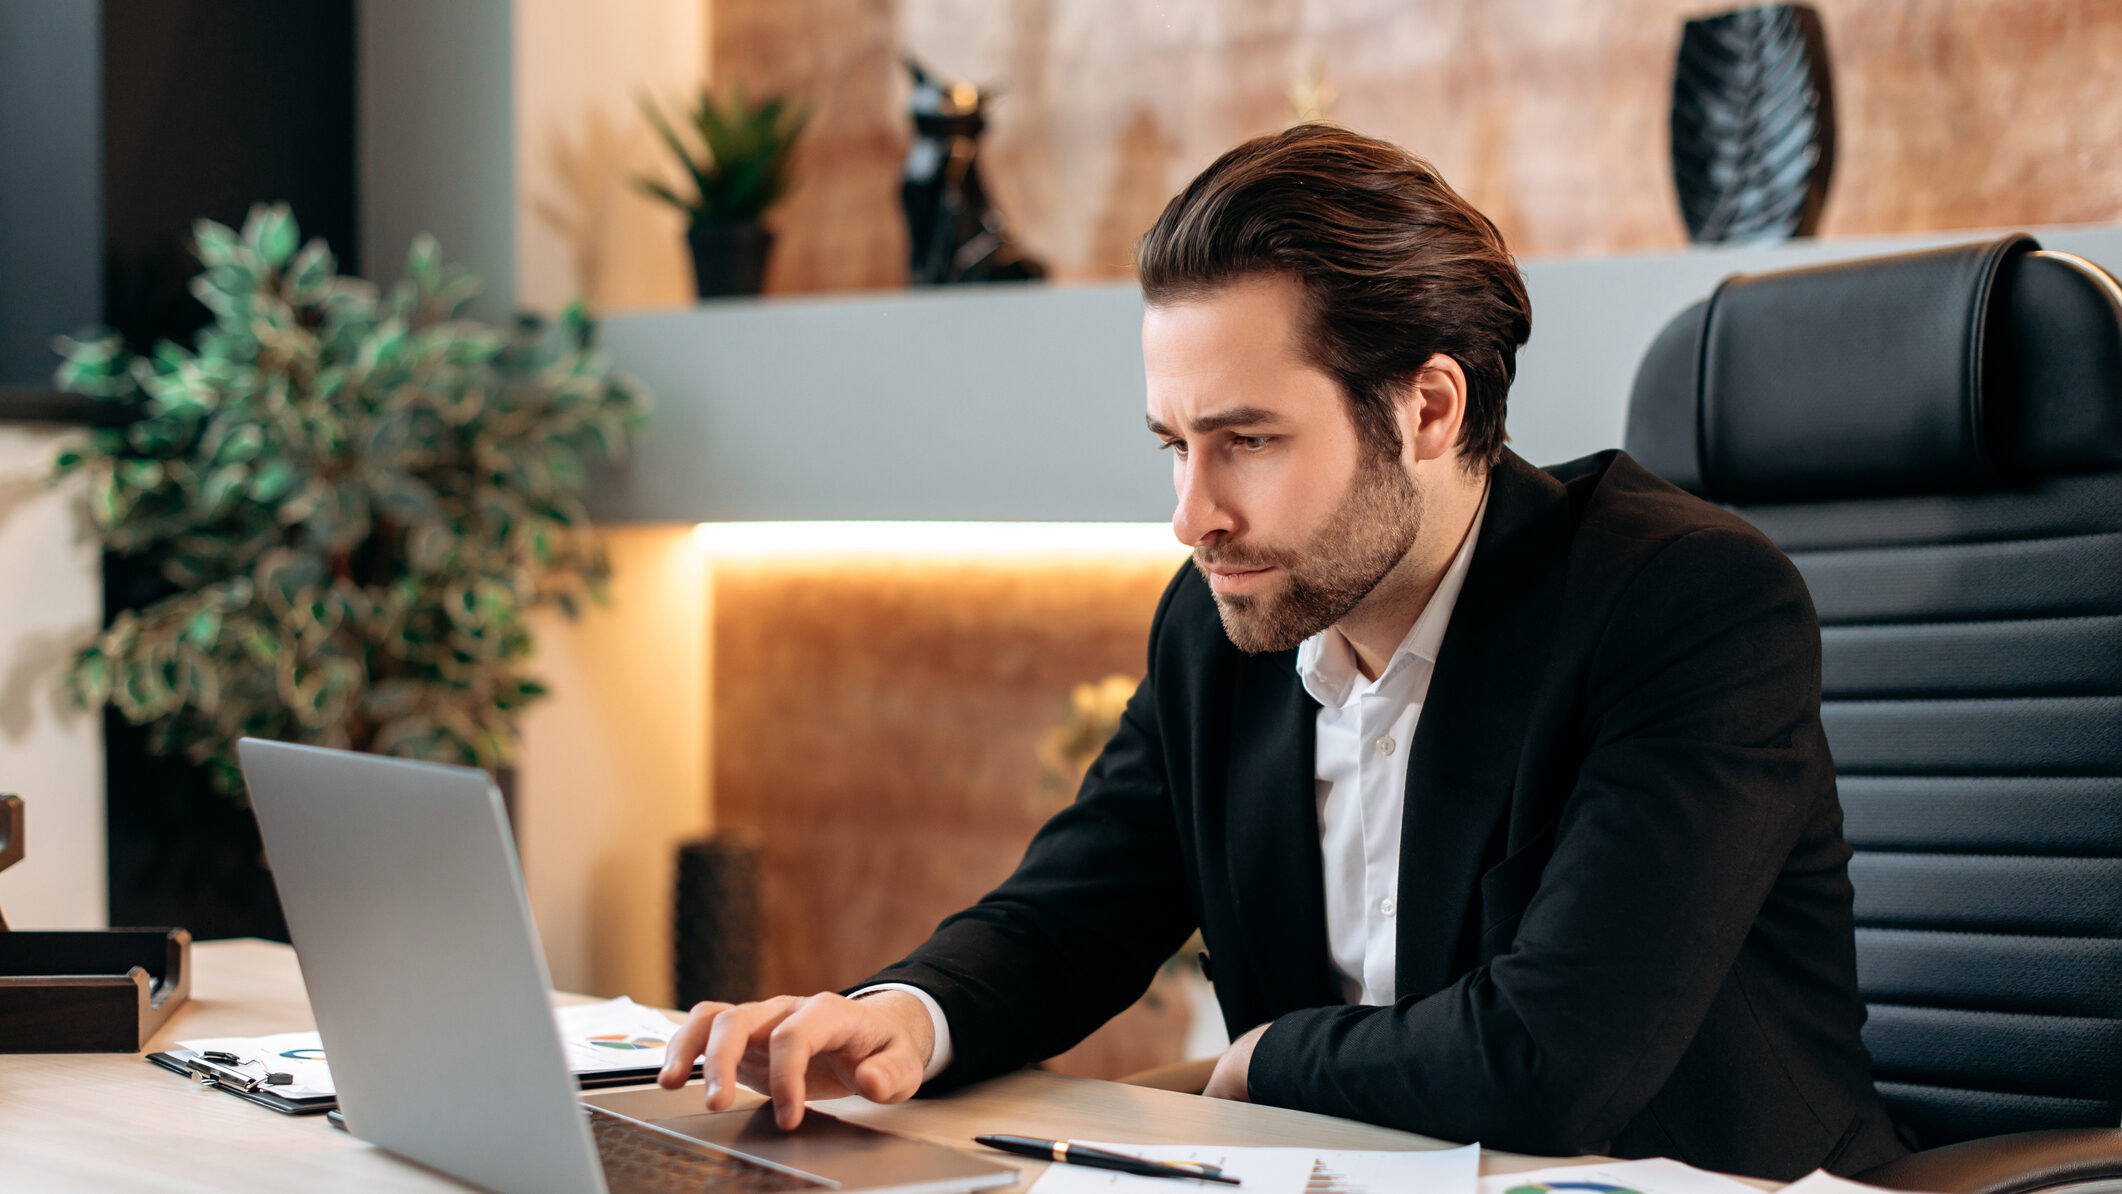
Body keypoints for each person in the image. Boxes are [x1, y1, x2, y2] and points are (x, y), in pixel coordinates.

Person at [656, 124, 1909, 1181]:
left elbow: (1554, 1059)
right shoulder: (1222, 623)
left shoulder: (1683, 604)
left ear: (1426, 409)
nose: (1191, 512)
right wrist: (901, 1018)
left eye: (1246, 440)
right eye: (1174, 444)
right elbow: (1071, 912)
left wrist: (1253, 1062)